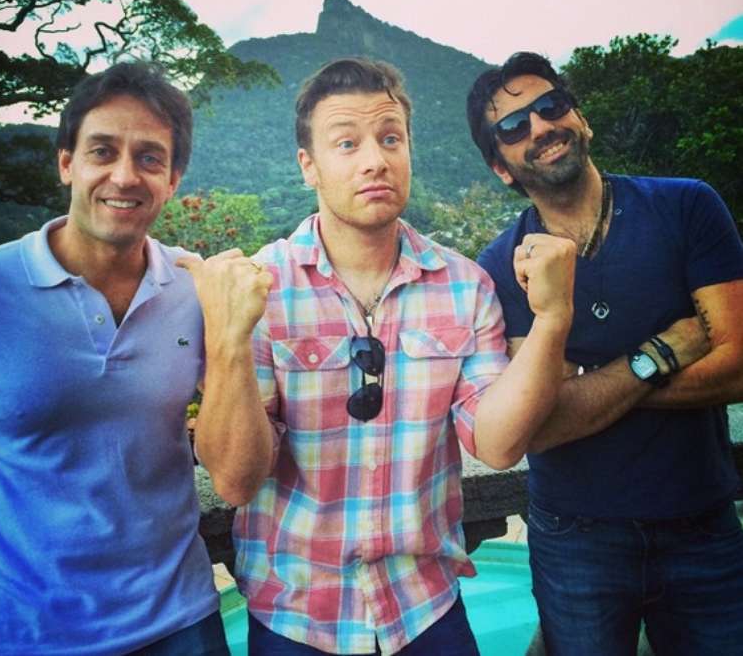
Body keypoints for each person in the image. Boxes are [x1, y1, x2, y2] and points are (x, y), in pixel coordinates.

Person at [178, 57, 576, 655]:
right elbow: (235, 480)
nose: (375, 160)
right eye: (347, 143)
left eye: (391, 138)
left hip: (425, 607)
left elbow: (496, 445)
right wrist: (228, 336)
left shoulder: (465, 287)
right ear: (308, 166)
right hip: (295, 615)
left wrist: (552, 318)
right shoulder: (261, 288)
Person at [467, 51, 743, 656]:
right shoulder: (500, 266)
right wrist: (661, 352)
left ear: (580, 117)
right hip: (576, 539)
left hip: (702, 521)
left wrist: (585, 387)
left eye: (551, 106)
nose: (541, 126)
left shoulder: (686, 207)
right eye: (513, 126)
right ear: (501, 167)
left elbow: (738, 364)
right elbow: (541, 424)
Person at [0, 62, 234, 655]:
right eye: (102, 151)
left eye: (149, 158)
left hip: (180, 622)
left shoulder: (195, 289)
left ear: (173, 179)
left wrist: (233, 333)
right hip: (20, 634)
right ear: (67, 163)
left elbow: (236, 466)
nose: (124, 175)